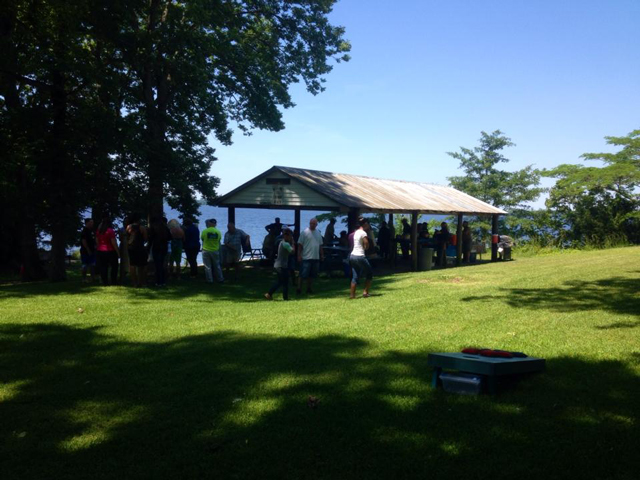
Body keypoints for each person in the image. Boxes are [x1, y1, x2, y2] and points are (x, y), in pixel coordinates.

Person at [264, 228, 295, 301]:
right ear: (287, 236)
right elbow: (293, 252)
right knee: (284, 282)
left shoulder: (282, 242)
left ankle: (270, 294)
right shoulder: (286, 244)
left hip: (279, 265)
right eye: (291, 236)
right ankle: (283, 297)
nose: (291, 238)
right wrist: (293, 243)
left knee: (281, 281)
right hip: (281, 265)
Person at [297, 217, 324, 295]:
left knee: (312, 275)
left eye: (314, 224)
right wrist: (299, 255)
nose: (312, 225)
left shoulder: (318, 233)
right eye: (311, 223)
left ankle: (309, 288)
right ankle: (299, 288)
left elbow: (320, 245)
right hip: (306, 257)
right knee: (302, 274)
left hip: (315, 257)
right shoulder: (304, 232)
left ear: (316, 224)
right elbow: (300, 245)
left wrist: (322, 255)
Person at [349, 217, 373, 299]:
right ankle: (365, 292)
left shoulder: (356, 232)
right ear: (365, 224)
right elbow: (366, 242)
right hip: (360, 256)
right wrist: (366, 248)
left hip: (352, 256)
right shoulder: (363, 233)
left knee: (355, 276)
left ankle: (352, 295)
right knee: (369, 273)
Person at [95, 217, 119, 285]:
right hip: (110, 251)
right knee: (114, 267)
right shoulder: (110, 231)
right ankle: (113, 281)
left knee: (103, 267)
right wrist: (118, 252)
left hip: (100, 250)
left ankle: (104, 282)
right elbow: (113, 242)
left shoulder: (98, 231)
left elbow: (97, 241)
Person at [148, 216, 171, 286]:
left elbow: (150, 239)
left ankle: (158, 281)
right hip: (164, 247)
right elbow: (170, 238)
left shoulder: (154, 228)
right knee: (162, 264)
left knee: (157, 265)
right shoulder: (165, 228)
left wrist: (148, 248)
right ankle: (163, 281)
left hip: (156, 247)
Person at [126, 214, 148, 288]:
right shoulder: (142, 228)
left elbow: (127, 236)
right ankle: (141, 282)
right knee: (142, 266)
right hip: (140, 247)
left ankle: (134, 283)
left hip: (131, 247)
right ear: (139, 220)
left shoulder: (128, 227)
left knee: (132, 265)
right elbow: (145, 238)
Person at [201, 219, 224, 284]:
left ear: (209, 223)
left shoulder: (205, 231)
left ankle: (209, 280)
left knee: (207, 266)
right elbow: (219, 240)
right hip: (215, 250)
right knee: (217, 265)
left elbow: (202, 239)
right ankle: (220, 279)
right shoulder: (218, 232)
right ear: (215, 224)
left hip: (206, 250)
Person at [80, 218, 96, 283]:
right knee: (85, 265)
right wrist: (88, 249)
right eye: (91, 222)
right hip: (85, 251)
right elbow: (83, 241)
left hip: (92, 251)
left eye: (92, 222)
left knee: (92, 265)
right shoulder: (84, 231)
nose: (92, 223)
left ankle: (93, 278)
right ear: (87, 223)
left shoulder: (91, 231)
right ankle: (84, 279)